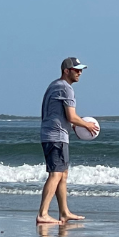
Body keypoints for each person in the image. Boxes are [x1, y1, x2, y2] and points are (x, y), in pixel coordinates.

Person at [37, 57, 89, 225]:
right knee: (56, 174)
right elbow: (72, 116)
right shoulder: (66, 88)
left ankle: (64, 212)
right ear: (67, 71)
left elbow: (56, 113)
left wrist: (72, 125)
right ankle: (43, 213)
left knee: (63, 174)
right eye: (76, 70)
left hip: (52, 134)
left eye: (80, 69)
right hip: (56, 136)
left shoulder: (54, 85)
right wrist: (87, 125)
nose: (79, 72)